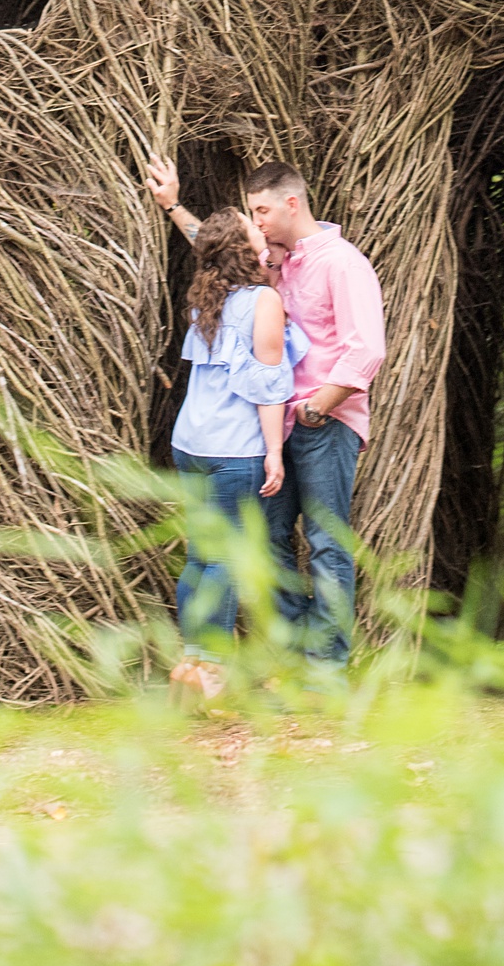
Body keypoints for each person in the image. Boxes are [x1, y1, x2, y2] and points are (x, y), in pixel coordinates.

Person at [149, 154, 387, 668]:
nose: (255, 222)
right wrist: (173, 206)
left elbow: (366, 350)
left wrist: (315, 409)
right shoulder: (274, 262)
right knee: (273, 545)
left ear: (291, 203)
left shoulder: (342, 263)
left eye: (260, 211)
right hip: (270, 431)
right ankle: (292, 662)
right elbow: (217, 249)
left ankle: (325, 670)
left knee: (325, 543)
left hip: (324, 423)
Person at [161, 202, 306, 662]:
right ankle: (213, 670)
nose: (258, 225)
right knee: (226, 560)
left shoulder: (208, 297)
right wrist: (274, 452)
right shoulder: (264, 301)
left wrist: (172, 203)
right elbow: (268, 386)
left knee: (200, 557)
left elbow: (208, 238)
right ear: (244, 247)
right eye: (251, 225)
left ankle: (191, 662)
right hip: (232, 450)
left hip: (190, 444)